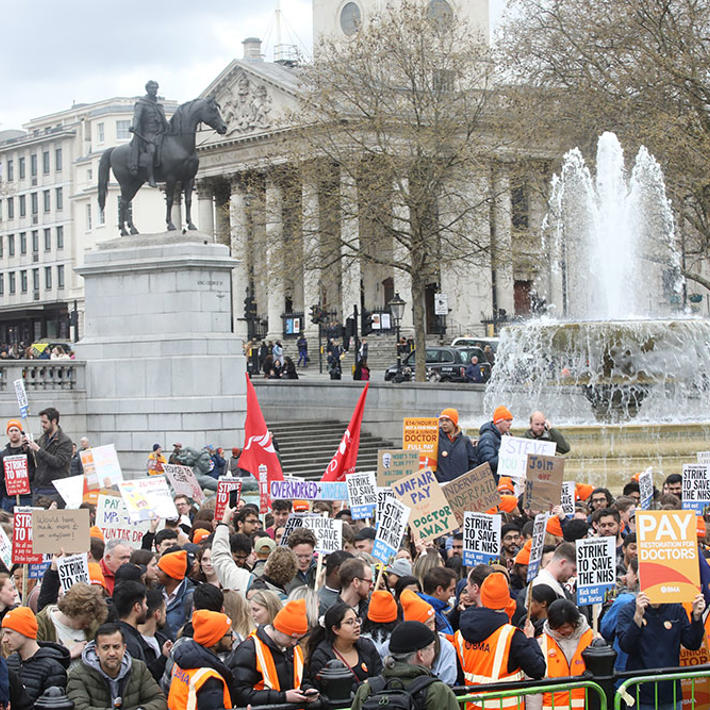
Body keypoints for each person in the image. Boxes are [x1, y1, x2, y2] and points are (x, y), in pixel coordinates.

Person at [454, 572, 545, 688]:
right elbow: (538, 670)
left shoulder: (459, 634)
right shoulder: (512, 636)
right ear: (507, 600)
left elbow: (460, 676)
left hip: (472, 705)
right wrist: (531, 639)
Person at [618, 591, 705, 709]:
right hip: (641, 697)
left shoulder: (676, 609)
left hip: (671, 694)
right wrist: (638, 616)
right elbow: (626, 646)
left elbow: (692, 643)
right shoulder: (628, 610)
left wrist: (697, 617)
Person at [351, 621, 459, 710]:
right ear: (420, 654)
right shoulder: (437, 692)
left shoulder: (368, 689)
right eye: (432, 648)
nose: (434, 652)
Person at [229, 598, 318, 706]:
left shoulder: (294, 648)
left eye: (298, 639)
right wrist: (283, 697)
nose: (294, 643)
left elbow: (302, 680)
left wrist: (307, 690)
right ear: (278, 628)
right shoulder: (249, 649)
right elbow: (240, 694)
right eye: (291, 637)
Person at [67, 623, 166, 710]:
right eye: (105, 647)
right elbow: (78, 707)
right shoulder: (79, 675)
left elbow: (159, 700)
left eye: (116, 647)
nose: (112, 653)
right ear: (96, 651)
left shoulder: (139, 668)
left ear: (124, 648)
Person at [527, 599, 594, 710]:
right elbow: (533, 689)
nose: (561, 631)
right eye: (557, 628)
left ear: (575, 622)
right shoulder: (542, 643)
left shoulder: (593, 638)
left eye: (565, 627)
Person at [307, 602, 382, 693]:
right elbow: (330, 691)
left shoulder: (367, 646)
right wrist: (366, 684)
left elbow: (380, 678)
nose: (357, 625)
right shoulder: (321, 656)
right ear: (335, 629)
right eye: (349, 622)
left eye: (357, 620)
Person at [168, 610, 235, 710]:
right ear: (215, 641)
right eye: (229, 634)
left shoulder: (183, 661)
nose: (234, 638)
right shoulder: (209, 680)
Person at [2, 607, 70, 707]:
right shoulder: (10, 662)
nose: (4, 639)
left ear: (24, 631)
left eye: (9, 633)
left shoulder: (52, 668)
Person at [114, 581, 172, 683]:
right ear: (137, 607)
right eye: (145, 603)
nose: (147, 608)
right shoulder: (131, 643)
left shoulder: (119, 633)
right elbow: (140, 682)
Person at [25, 407, 72, 504]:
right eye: (41, 422)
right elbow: (36, 461)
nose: (42, 425)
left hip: (55, 490)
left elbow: (57, 462)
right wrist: (28, 449)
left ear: (54, 421)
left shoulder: (65, 441)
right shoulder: (42, 438)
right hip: (39, 488)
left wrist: (38, 449)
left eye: (45, 422)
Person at [129, 80, 168, 188]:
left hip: (160, 133)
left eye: (156, 88)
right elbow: (136, 117)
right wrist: (134, 126)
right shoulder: (141, 104)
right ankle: (151, 178)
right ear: (147, 89)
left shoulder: (159, 105)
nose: (154, 90)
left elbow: (164, 120)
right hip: (147, 134)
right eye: (152, 88)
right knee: (152, 150)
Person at [156, 550, 195, 637]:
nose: (156, 572)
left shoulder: (190, 597)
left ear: (171, 575)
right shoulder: (156, 590)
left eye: (160, 570)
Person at [0, 419, 35, 511]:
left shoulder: (27, 452)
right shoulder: (2, 454)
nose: (14, 433)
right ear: (8, 433)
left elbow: (33, 471)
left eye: (16, 430)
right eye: (11, 431)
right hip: (8, 498)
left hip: (25, 497)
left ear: (20, 433)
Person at [435, 408, 477, 483]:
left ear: (454, 422)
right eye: (442, 421)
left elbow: (473, 463)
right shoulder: (435, 440)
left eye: (447, 420)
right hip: (441, 485)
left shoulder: (465, 441)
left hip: (461, 487)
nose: (444, 423)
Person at [476, 406, 513, 482]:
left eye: (511, 421)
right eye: (507, 420)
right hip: (491, 481)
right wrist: (507, 459)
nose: (510, 424)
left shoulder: (503, 436)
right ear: (499, 421)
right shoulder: (487, 437)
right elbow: (487, 462)